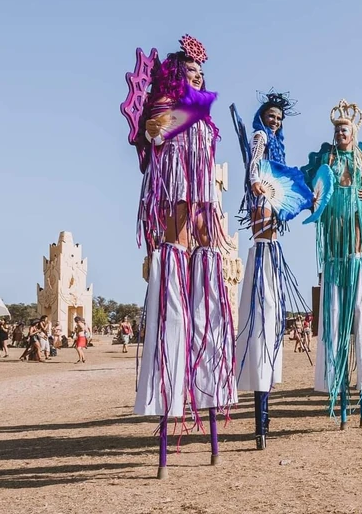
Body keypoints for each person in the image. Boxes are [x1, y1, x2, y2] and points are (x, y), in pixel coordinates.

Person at [125, 34, 236, 468]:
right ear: (175, 74)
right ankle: (169, 407)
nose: (199, 77)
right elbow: (156, 135)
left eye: (202, 72)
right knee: (172, 317)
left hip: (205, 218)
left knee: (210, 312)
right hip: (175, 220)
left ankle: (210, 396)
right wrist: (190, 106)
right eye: (191, 71)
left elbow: (207, 169)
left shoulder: (203, 119)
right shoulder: (165, 111)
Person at [301, 99, 362, 429]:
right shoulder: (329, 158)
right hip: (334, 257)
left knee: (361, 319)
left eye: (346, 129)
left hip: (356, 256)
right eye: (337, 129)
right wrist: (315, 199)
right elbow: (316, 186)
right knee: (335, 321)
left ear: (353, 133)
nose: (341, 132)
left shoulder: (361, 159)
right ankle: (336, 391)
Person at [233, 90, 309, 450]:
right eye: (271, 115)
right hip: (263, 215)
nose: (275, 121)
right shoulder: (262, 137)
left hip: (271, 219)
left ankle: (263, 415)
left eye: (279, 118)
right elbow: (254, 160)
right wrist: (256, 185)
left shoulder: (276, 142)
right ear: (262, 117)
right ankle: (260, 416)